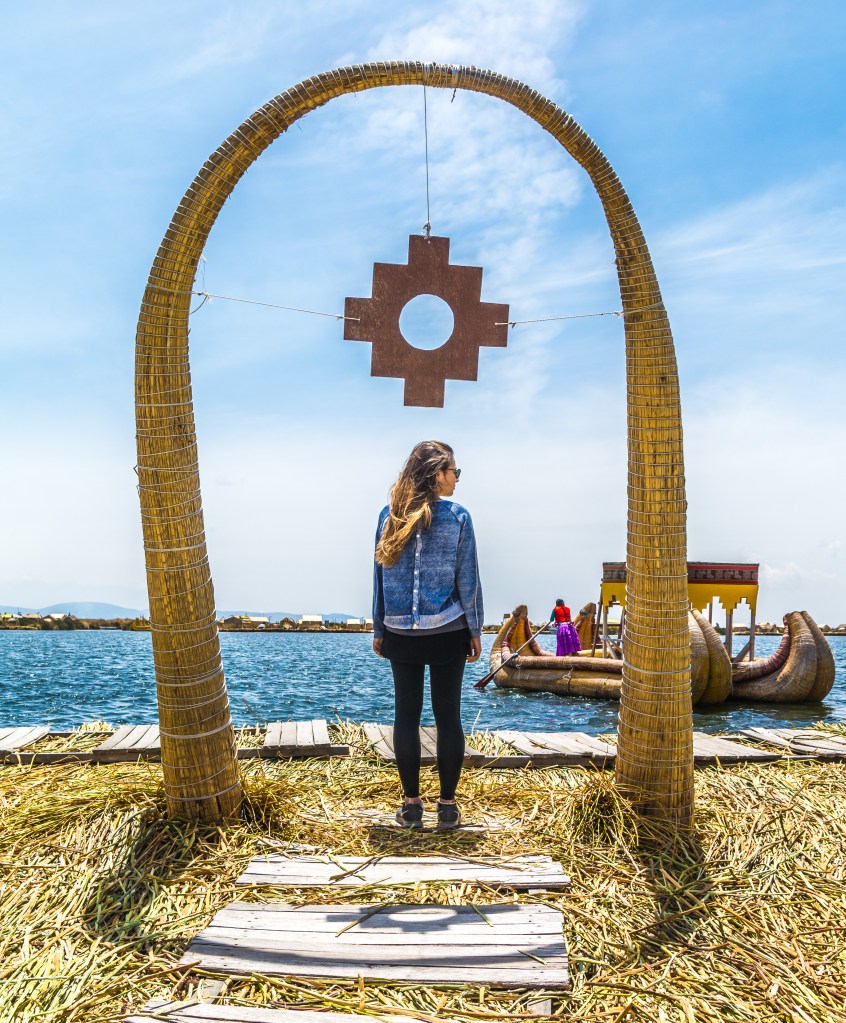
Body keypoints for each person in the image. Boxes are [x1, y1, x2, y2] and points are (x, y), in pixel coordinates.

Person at [372, 440, 483, 830]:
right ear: (438, 474)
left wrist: (378, 624)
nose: (457, 479)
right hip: (447, 629)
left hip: (399, 630)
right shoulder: (458, 517)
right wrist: (474, 627)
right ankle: (448, 808)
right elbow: (467, 579)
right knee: (448, 716)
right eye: (455, 471)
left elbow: (379, 577)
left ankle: (412, 805)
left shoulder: (390, 515)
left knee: (406, 715)